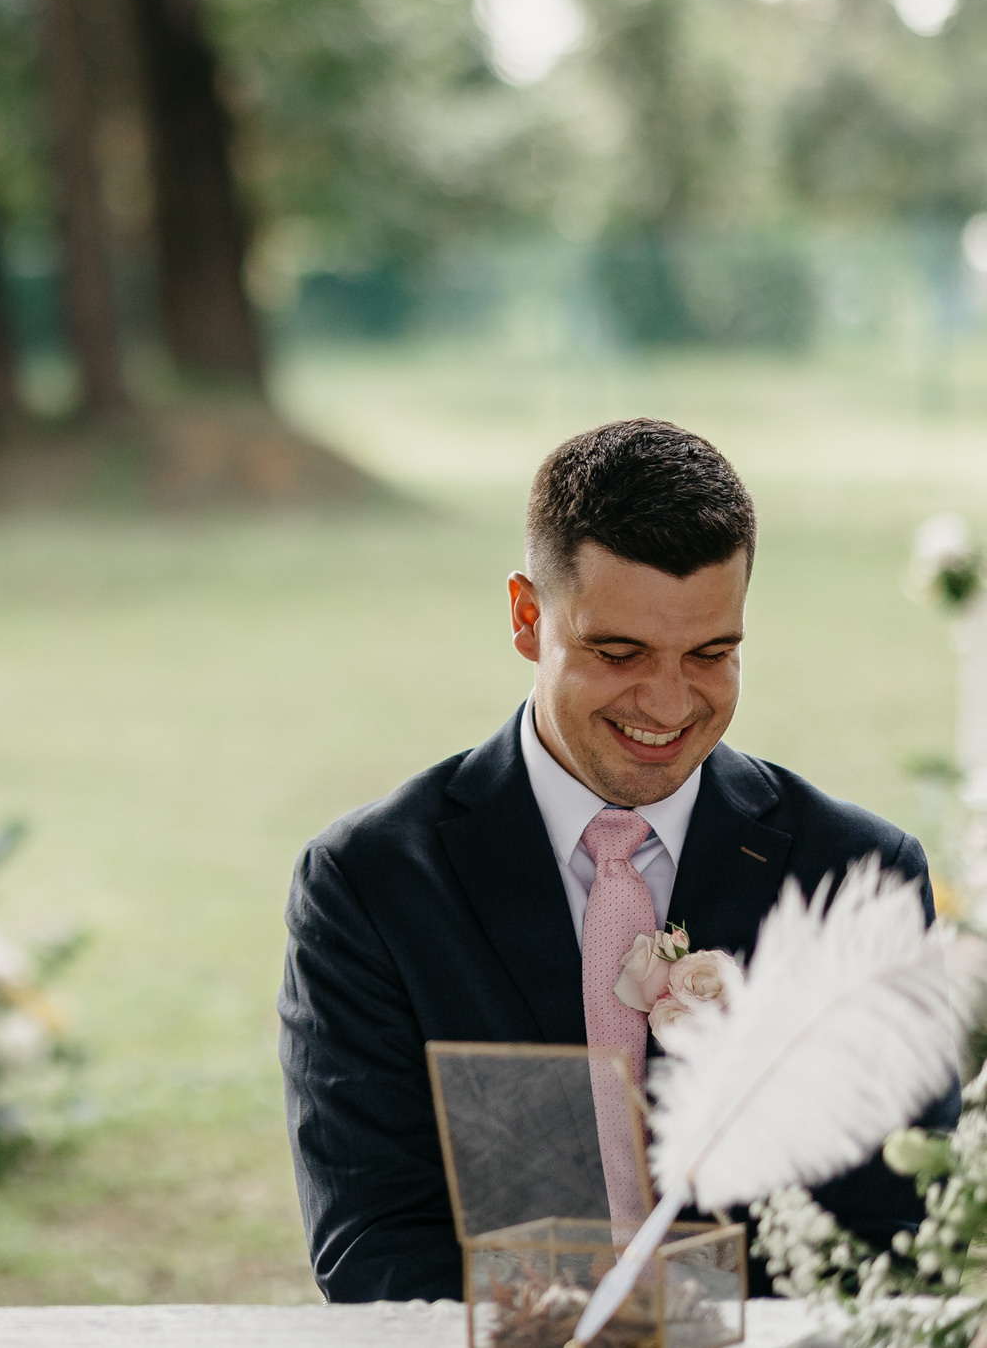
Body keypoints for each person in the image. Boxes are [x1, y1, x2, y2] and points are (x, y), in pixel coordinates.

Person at [279, 419, 942, 1301]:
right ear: (527, 617)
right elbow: (374, 1247)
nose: (668, 704)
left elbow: (891, 1232)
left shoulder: (858, 873)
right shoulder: (371, 882)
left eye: (712, 653)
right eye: (617, 651)